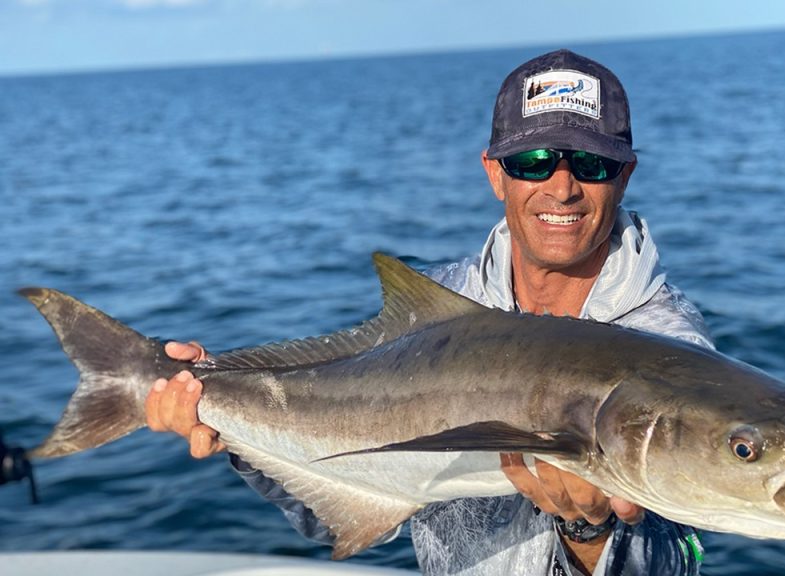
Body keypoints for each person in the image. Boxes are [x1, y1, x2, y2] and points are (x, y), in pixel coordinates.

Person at [146, 49, 714, 575]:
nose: (562, 188)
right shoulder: (442, 301)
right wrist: (222, 415)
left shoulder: (669, 348)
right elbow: (338, 510)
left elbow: (680, 559)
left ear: (624, 175)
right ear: (495, 173)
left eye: (591, 164)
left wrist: (589, 531)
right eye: (533, 161)